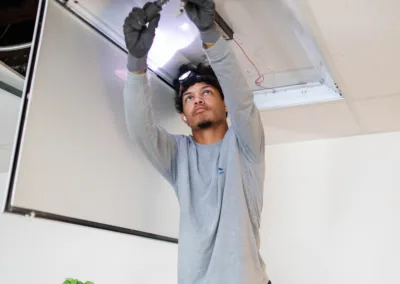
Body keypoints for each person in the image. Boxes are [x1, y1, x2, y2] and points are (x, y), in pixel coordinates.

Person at [123, 1, 270, 283]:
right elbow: (140, 129)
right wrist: (136, 63)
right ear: (183, 117)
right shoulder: (178, 156)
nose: (198, 100)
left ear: (225, 104)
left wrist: (209, 33)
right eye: (189, 98)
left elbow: (243, 101)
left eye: (206, 92)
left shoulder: (245, 147)